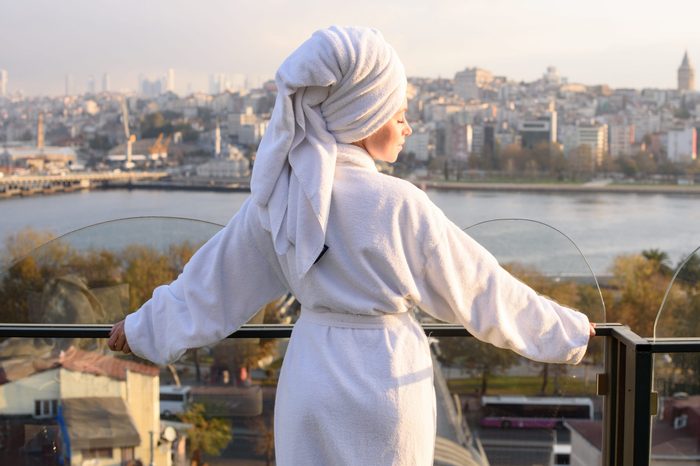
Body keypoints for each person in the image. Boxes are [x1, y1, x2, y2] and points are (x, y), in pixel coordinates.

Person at [109, 26, 595, 465]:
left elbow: (211, 286)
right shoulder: (399, 204)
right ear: (365, 116)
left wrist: (140, 329)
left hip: (310, 381)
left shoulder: (281, 199)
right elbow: (482, 291)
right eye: (400, 114)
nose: (408, 127)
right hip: (386, 386)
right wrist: (570, 333)